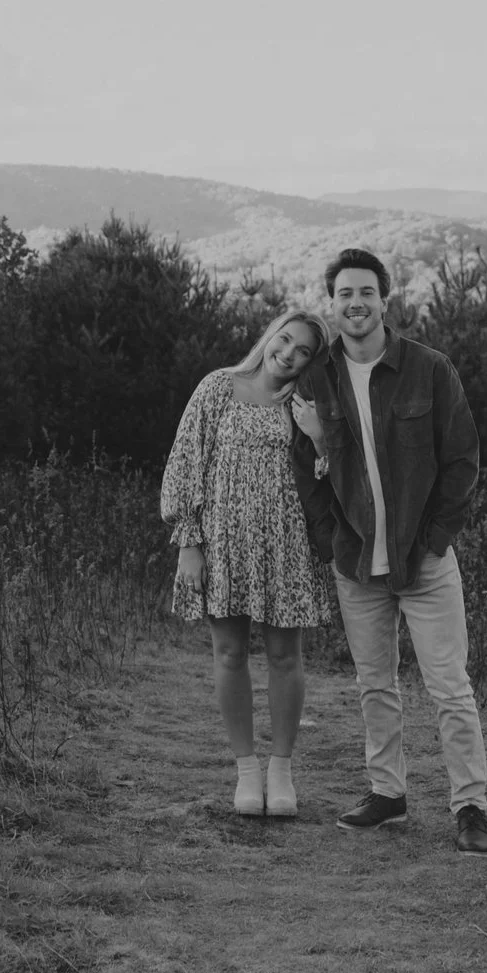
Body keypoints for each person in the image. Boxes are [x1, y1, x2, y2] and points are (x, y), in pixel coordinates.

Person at [287, 248, 487, 855]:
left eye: (366, 293)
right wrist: (332, 542)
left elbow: (462, 460)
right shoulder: (315, 381)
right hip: (357, 565)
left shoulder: (428, 369)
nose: (356, 303)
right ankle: (387, 794)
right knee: (374, 685)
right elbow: (307, 473)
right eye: (344, 294)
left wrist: (435, 539)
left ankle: (471, 806)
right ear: (334, 304)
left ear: (385, 300)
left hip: (425, 563)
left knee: (449, 687)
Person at [160, 307, 333, 817]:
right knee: (229, 654)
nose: (289, 355)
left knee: (285, 657)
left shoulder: (306, 402)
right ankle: (247, 770)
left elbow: (332, 478)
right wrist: (189, 542)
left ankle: (281, 771)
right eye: (286, 341)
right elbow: (185, 462)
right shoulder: (219, 387)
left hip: (287, 544)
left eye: (303, 351)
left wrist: (320, 434)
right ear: (270, 335)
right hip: (223, 542)